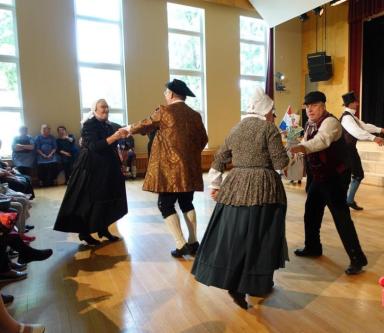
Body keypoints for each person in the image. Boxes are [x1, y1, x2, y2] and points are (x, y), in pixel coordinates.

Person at [192, 87, 289, 309]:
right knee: (262, 237)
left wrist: (215, 185)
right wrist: (291, 154)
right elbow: (279, 163)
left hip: (235, 187)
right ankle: (254, 283)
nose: (273, 115)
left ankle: (235, 280)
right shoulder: (269, 129)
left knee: (235, 236)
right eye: (272, 111)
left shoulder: (236, 129)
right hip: (264, 188)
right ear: (266, 110)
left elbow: (218, 159)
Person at [291, 91, 368, 275]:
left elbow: (321, 141)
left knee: (341, 218)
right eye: (307, 106)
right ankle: (313, 247)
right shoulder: (310, 124)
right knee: (311, 212)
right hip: (319, 177)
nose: (310, 109)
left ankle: (357, 259)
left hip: (334, 178)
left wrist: (303, 147)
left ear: (323, 106)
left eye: (314, 105)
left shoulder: (331, 122)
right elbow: (307, 144)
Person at [128, 79, 208, 257]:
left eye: (166, 93)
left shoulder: (164, 111)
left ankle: (181, 245)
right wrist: (189, 155)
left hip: (169, 170)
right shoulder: (195, 115)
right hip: (189, 169)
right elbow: (203, 139)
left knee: (165, 204)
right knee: (187, 202)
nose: (164, 95)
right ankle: (194, 242)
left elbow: (145, 124)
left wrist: (127, 129)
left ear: (171, 94)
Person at [54, 99, 128, 245]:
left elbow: (112, 148)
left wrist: (120, 163)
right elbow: (94, 146)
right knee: (88, 201)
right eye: (103, 107)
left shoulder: (108, 125)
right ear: (94, 109)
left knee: (108, 198)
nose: (106, 110)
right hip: (91, 167)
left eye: (107, 107)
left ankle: (103, 228)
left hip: (108, 167)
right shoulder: (88, 125)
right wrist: (115, 137)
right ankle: (85, 233)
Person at [340, 91, 384, 210]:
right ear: (350, 104)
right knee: (355, 175)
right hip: (346, 151)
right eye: (355, 102)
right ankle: (346, 201)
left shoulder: (352, 117)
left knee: (356, 175)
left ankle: (348, 200)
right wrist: (374, 138)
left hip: (349, 150)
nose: (358, 104)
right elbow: (357, 132)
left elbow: (366, 126)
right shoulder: (346, 118)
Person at [283, 111, 304, 184]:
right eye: (292, 120)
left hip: (297, 147)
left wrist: (298, 139)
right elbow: (285, 136)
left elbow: (302, 138)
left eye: (294, 120)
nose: (293, 121)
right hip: (289, 147)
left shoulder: (300, 129)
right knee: (290, 163)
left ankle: (298, 178)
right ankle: (291, 178)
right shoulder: (288, 128)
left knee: (298, 164)